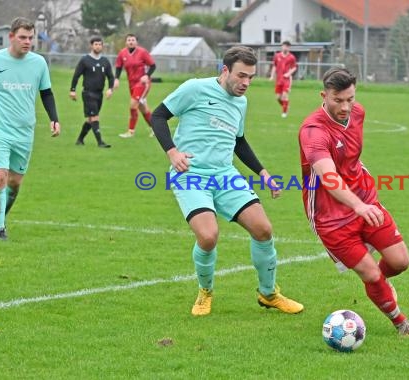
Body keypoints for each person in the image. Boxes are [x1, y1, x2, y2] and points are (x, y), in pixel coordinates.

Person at [150, 46, 303, 316]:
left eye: (251, 78)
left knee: (263, 229)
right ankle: (205, 291)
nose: (245, 83)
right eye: (241, 75)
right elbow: (158, 116)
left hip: (225, 175)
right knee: (208, 237)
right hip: (191, 175)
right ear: (225, 70)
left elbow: (239, 141)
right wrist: (172, 152)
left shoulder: (241, 102)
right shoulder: (195, 88)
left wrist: (263, 173)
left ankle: (268, 294)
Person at [298, 68, 409, 337]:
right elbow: (328, 176)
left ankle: (381, 286)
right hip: (330, 216)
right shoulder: (313, 131)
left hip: (366, 199)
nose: (345, 107)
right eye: (338, 100)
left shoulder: (358, 113)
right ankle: (402, 324)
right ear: (324, 95)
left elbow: (350, 158)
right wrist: (357, 206)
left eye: (350, 99)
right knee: (370, 274)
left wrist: (364, 202)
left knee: (400, 262)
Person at [0, 17, 60, 241]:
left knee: (15, 184)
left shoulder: (38, 63)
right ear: (11, 37)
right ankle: (0, 229)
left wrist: (54, 119)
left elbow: (46, 92)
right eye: (22, 37)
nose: (27, 42)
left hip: (25, 132)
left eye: (31, 38)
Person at [70, 36, 113, 148]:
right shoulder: (85, 60)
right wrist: (72, 90)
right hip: (88, 93)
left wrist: (110, 89)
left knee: (91, 119)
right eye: (96, 44)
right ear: (91, 45)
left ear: (102, 46)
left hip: (99, 94)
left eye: (100, 44)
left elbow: (111, 77)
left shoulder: (105, 61)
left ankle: (80, 140)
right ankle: (100, 142)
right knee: (95, 117)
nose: (98, 46)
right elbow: (76, 75)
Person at [113, 33, 156, 138]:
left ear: (136, 42)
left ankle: (130, 132)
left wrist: (147, 75)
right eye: (129, 40)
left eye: (133, 40)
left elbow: (153, 65)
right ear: (126, 42)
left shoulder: (142, 52)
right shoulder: (122, 53)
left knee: (133, 105)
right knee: (143, 108)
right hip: (131, 83)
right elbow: (118, 67)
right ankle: (156, 129)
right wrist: (116, 79)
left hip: (142, 83)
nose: (131, 42)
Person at [269, 41, 297, 118]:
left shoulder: (291, 57)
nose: (285, 47)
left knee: (284, 96)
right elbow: (274, 66)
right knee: (278, 98)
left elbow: (294, 67)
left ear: (289, 47)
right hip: (279, 80)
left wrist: (288, 74)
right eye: (284, 46)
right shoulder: (277, 56)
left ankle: (284, 113)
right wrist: (272, 76)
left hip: (287, 80)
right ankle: (286, 106)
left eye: (287, 46)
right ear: (282, 46)